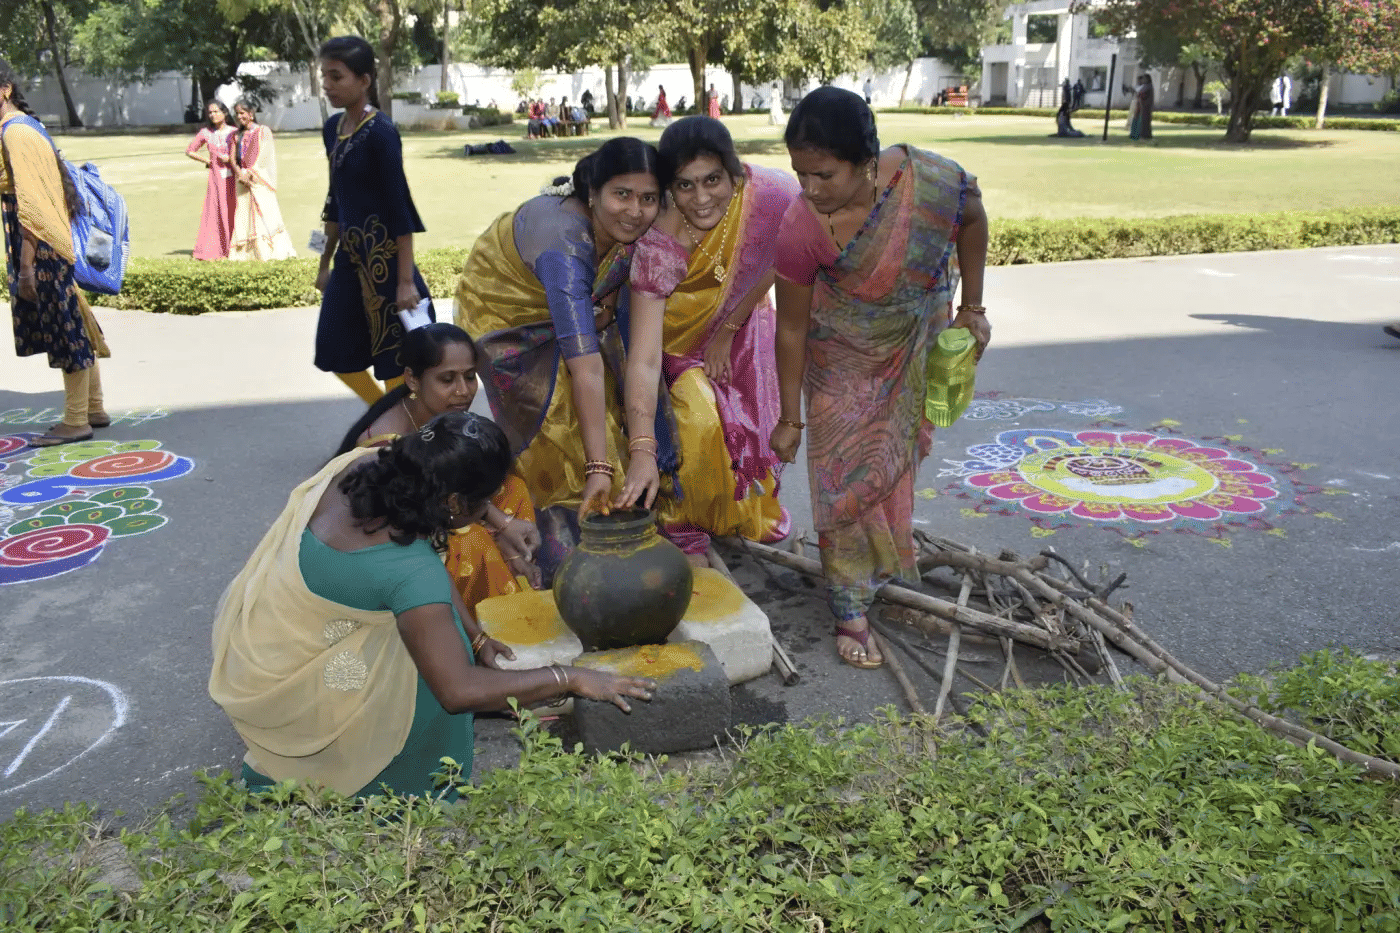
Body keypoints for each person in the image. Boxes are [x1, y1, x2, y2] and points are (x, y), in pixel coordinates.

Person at [210, 411, 655, 800]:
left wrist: (477, 635)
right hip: (316, 704)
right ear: (453, 502)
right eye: (484, 502)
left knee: (451, 643)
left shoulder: (372, 466)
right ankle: (372, 769)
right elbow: (457, 691)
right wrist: (571, 677)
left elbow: (424, 555)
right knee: (442, 679)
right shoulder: (410, 572)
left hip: (278, 645)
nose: (490, 510)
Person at [771, 87, 989, 670]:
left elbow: (971, 217)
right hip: (838, 358)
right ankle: (849, 605)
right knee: (841, 475)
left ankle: (889, 564)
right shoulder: (800, 226)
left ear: (867, 161)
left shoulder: (928, 182)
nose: (810, 190)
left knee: (893, 465)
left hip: (911, 342)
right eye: (800, 175)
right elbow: (790, 328)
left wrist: (973, 308)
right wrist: (789, 418)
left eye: (824, 175)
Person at [453, 138, 665, 577]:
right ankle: (552, 556)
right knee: (554, 435)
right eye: (621, 194)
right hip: (505, 315)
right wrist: (599, 467)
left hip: (570, 306)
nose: (634, 211)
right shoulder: (565, 246)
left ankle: (605, 538)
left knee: (609, 413)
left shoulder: (630, 232)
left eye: (648, 199)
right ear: (592, 192)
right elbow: (583, 368)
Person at [619, 117, 798, 566]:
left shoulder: (769, 196)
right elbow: (644, 357)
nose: (701, 199)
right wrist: (642, 445)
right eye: (684, 186)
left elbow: (787, 252)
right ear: (668, 189)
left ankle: (739, 511)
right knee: (699, 424)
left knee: (753, 422)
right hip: (674, 344)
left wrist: (730, 328)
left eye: (712, 180)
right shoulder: (660, 243)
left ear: (734, 173)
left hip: (741, 325)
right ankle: (684, 519)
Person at [336, 322, 544, 610]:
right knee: (471, 540)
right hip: (391, 546)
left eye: (470, 377)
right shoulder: (383, 445)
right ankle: (482, 626)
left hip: (439, 510)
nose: (463, 391)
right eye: (447, 380)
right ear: (412, 379)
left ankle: (514, 571)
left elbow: (462, 488)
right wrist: (498, 520)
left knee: (512, 488)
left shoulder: (443, 418)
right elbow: (420, 516)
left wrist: (499, 521)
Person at [314, 36, 436, 406]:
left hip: (386, 265)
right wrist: (322, 262)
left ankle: (402, 434)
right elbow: (333, 201)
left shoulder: (381, 132)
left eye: (337, 77)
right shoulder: (332, 128)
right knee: (332, 350)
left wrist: (404, 282)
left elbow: (399, 206)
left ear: (364, 80)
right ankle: (385, 417)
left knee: (395, 358)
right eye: (325, 77)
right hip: (349, 262)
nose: (328, 85)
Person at [0, 60, 111, 447]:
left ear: (6, 90)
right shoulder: (23, 128)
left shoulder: (15, 133)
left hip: (40, 244)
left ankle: (76, 420)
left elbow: (31, 205)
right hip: (45, 241)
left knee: (65, 332)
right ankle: (93, 407)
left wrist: (26, 268)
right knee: (75, 323)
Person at [227, 99, 298, 262]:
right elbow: (232, 159)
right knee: (244, 215)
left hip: (259, 179)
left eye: (242, 113)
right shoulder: (235, 135)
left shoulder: (262, 131)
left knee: (264, 214)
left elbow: (264, 155)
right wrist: (240, 174)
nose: (239, 117)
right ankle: (245, 254)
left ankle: (269, 251)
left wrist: (251, 173)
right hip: (242, 181)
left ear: (251, 114)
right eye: (237, 113)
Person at [185, 100, 237, 260]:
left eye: (216, 111)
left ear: (225, 113)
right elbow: (190, 151)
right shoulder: (206, 133)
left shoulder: (234, 132)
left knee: (234, 209)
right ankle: (216, 249)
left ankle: (235, 247)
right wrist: (207, 161)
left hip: (233, 177)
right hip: (216, 179)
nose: (213, 115)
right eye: (210, 112)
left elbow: (244, 154)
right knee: (216, 211)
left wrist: (231, 159)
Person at [1129, 74, 1154, 141]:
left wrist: (1138, 94)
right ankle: (1142, 134)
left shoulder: (1148, 86)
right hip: (1143, 105)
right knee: (1143, 120)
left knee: (1145, 120)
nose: (1143, 80)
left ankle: (1145, 135)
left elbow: (1142, 94)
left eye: (1144, 79)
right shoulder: (1146, 86)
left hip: (1146, 106)